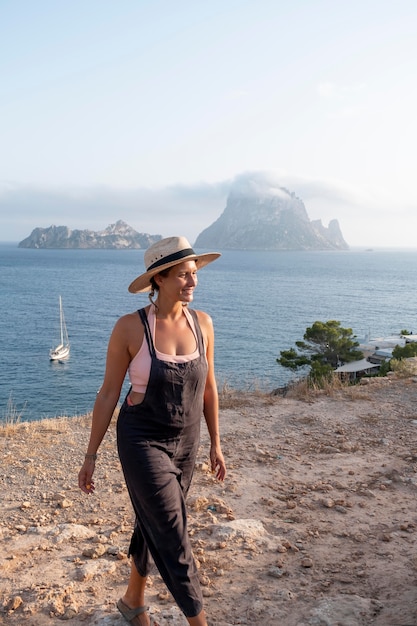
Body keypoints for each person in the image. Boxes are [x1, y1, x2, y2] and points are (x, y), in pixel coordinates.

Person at [78, 236, 227, 626]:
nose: (193, 282)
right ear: (158, 279)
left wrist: (216, 443)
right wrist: (91, 455)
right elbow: (109, 392)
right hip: (141, 439)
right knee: (174, 534)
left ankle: (133, 601)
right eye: (183, 275)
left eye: (195, 274)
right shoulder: (130, 328)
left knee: (155, 518)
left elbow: (208, 387)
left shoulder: (204, 324)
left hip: (187, 441)